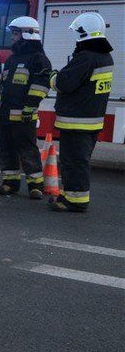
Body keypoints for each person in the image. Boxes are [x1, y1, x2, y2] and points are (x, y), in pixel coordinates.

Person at [50, 12, 113, 213]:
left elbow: (64, 83)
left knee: (73, 161)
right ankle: (70, 195)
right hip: (92, 120)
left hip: (76, 121)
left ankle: (75, 201)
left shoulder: (86, 58)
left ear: (84, 33)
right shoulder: (104, 57)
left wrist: (53, 77)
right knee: (79, 160)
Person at [0, 16, 51, 197]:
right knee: (6, 149)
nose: (12, 37)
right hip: (5, 115)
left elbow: (41, 85)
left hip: (24, 116)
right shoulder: (12, 59)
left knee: (27, 150)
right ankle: (10, 182)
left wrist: (30, 106)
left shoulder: (39, 59)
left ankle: (35, 185)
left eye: (16, 33)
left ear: (28, 34)